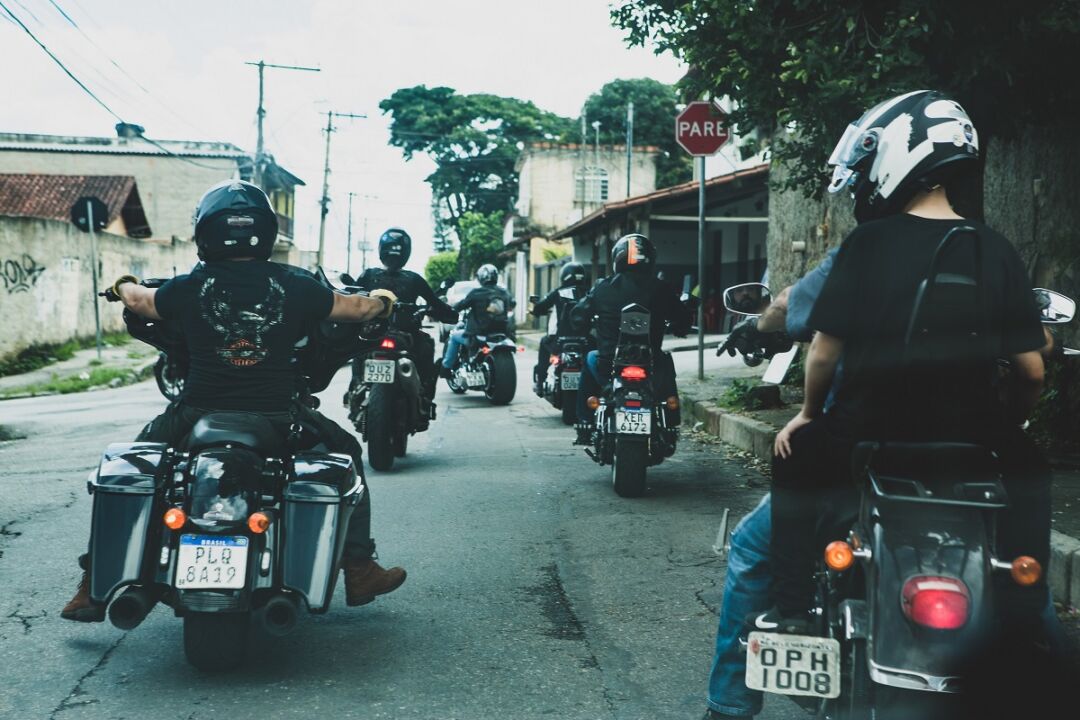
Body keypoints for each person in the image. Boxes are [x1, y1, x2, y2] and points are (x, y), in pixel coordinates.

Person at [759, 91, 1060, 709]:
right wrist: (1010, 423)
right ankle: (1026, 622)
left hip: (869, 440)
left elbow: (822, 354)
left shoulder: (867, 245)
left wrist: (811, 416)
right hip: (972, 446)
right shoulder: (994, 248)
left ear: (898, 152)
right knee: (1032, 471)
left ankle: (789, 613)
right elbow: (1031, 368)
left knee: (792, 461)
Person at [61, 180, 407, 621]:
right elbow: (355, 310)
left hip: (195, 413)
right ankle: (358, 569)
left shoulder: (189, 286)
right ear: (264, 231)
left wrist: (123, 284)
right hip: (280, 417)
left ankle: (93, 584)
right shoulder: (296, 285)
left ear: (205, 231)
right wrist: (383, 300)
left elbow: (140, 301)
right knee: (348, 455)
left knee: (134, 468)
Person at [568, 233, 692, 445]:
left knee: (589, 358)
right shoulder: (661, 288)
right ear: (650, 260)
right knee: (666, 362)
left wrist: (583, 325)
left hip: (609, 363)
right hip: (651, 363)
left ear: (618, 258)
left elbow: (578, 316)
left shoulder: (603, 287)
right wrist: (680, 326)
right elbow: (682, 318)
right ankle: (671, 423)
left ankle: (585, 423)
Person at [347, 227, 458, 420]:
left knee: (357, 348)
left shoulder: (368, 275)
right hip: (407, 337)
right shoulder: (413, 279)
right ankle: (424, 398)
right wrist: (448, 314)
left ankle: (356, 387)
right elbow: (436, 303)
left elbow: (351, 296)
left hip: (371, 335)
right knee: (426, 347)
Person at [439, 263, 514, 377]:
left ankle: (446, 368)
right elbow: (512, 303)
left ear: (480, 278)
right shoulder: (504, 293)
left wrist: (450, 308)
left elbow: (460, 306)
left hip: (479, 335)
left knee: (454, 336)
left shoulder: (476, 293)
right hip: (501, 334)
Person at [529, 261, 589, 395]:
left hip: (559, 342)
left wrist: (536, 309)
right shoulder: (589, 293)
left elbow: (540, 307)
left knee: (544, 343)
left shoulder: (559, 292)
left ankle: (540, 381)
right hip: (586, 342)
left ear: (565, 276)